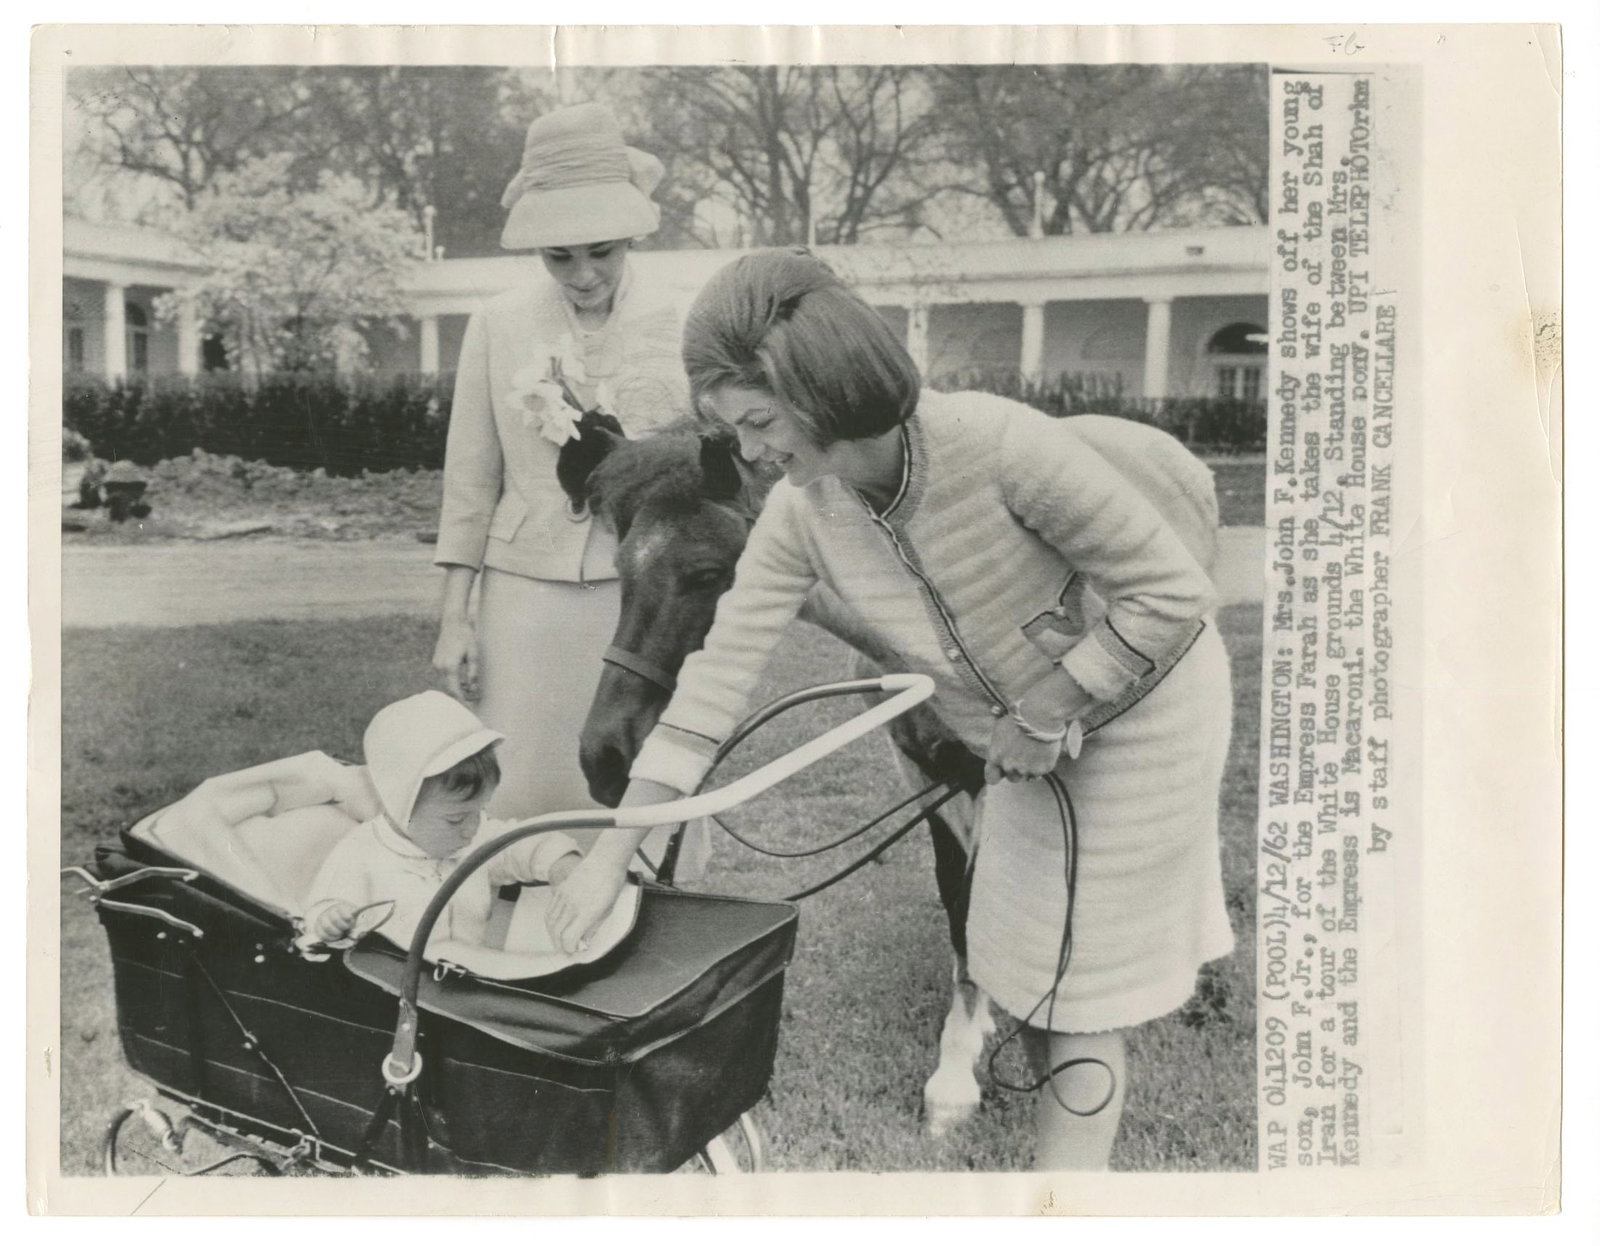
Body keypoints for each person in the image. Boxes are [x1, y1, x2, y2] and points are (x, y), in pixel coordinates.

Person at [546, 249, 1235, 1170]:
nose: (749, 454)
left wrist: (1049, 705)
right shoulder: (802, 511)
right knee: (1021, 968)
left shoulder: (998, 445)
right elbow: (713, 684)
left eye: (758, 420)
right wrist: (611, 855)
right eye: (732, 430)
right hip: (1017, 736)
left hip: (1148, 714)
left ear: (822, 387)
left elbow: (1172, 593)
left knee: (1079, 993)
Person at [431, 102, 689, 821]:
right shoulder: (497, 322)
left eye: (601, 251)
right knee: (519, 787)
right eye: (559, 256)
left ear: (631, 235)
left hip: (639, 600)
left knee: (632, 786)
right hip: (523, 595)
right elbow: (471, 480)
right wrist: (455, 618)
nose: (582, 274)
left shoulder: (682, 321)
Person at [305, 691, 583, 954]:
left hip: (468, 974)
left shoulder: (477, 837)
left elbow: (522, 845)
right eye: (456, 819)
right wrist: (331, 919)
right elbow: (326, 909)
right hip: (395, 984)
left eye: (480, 810)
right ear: (401, 805)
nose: (473, 828)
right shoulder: (361, 853)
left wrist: (562, 863)